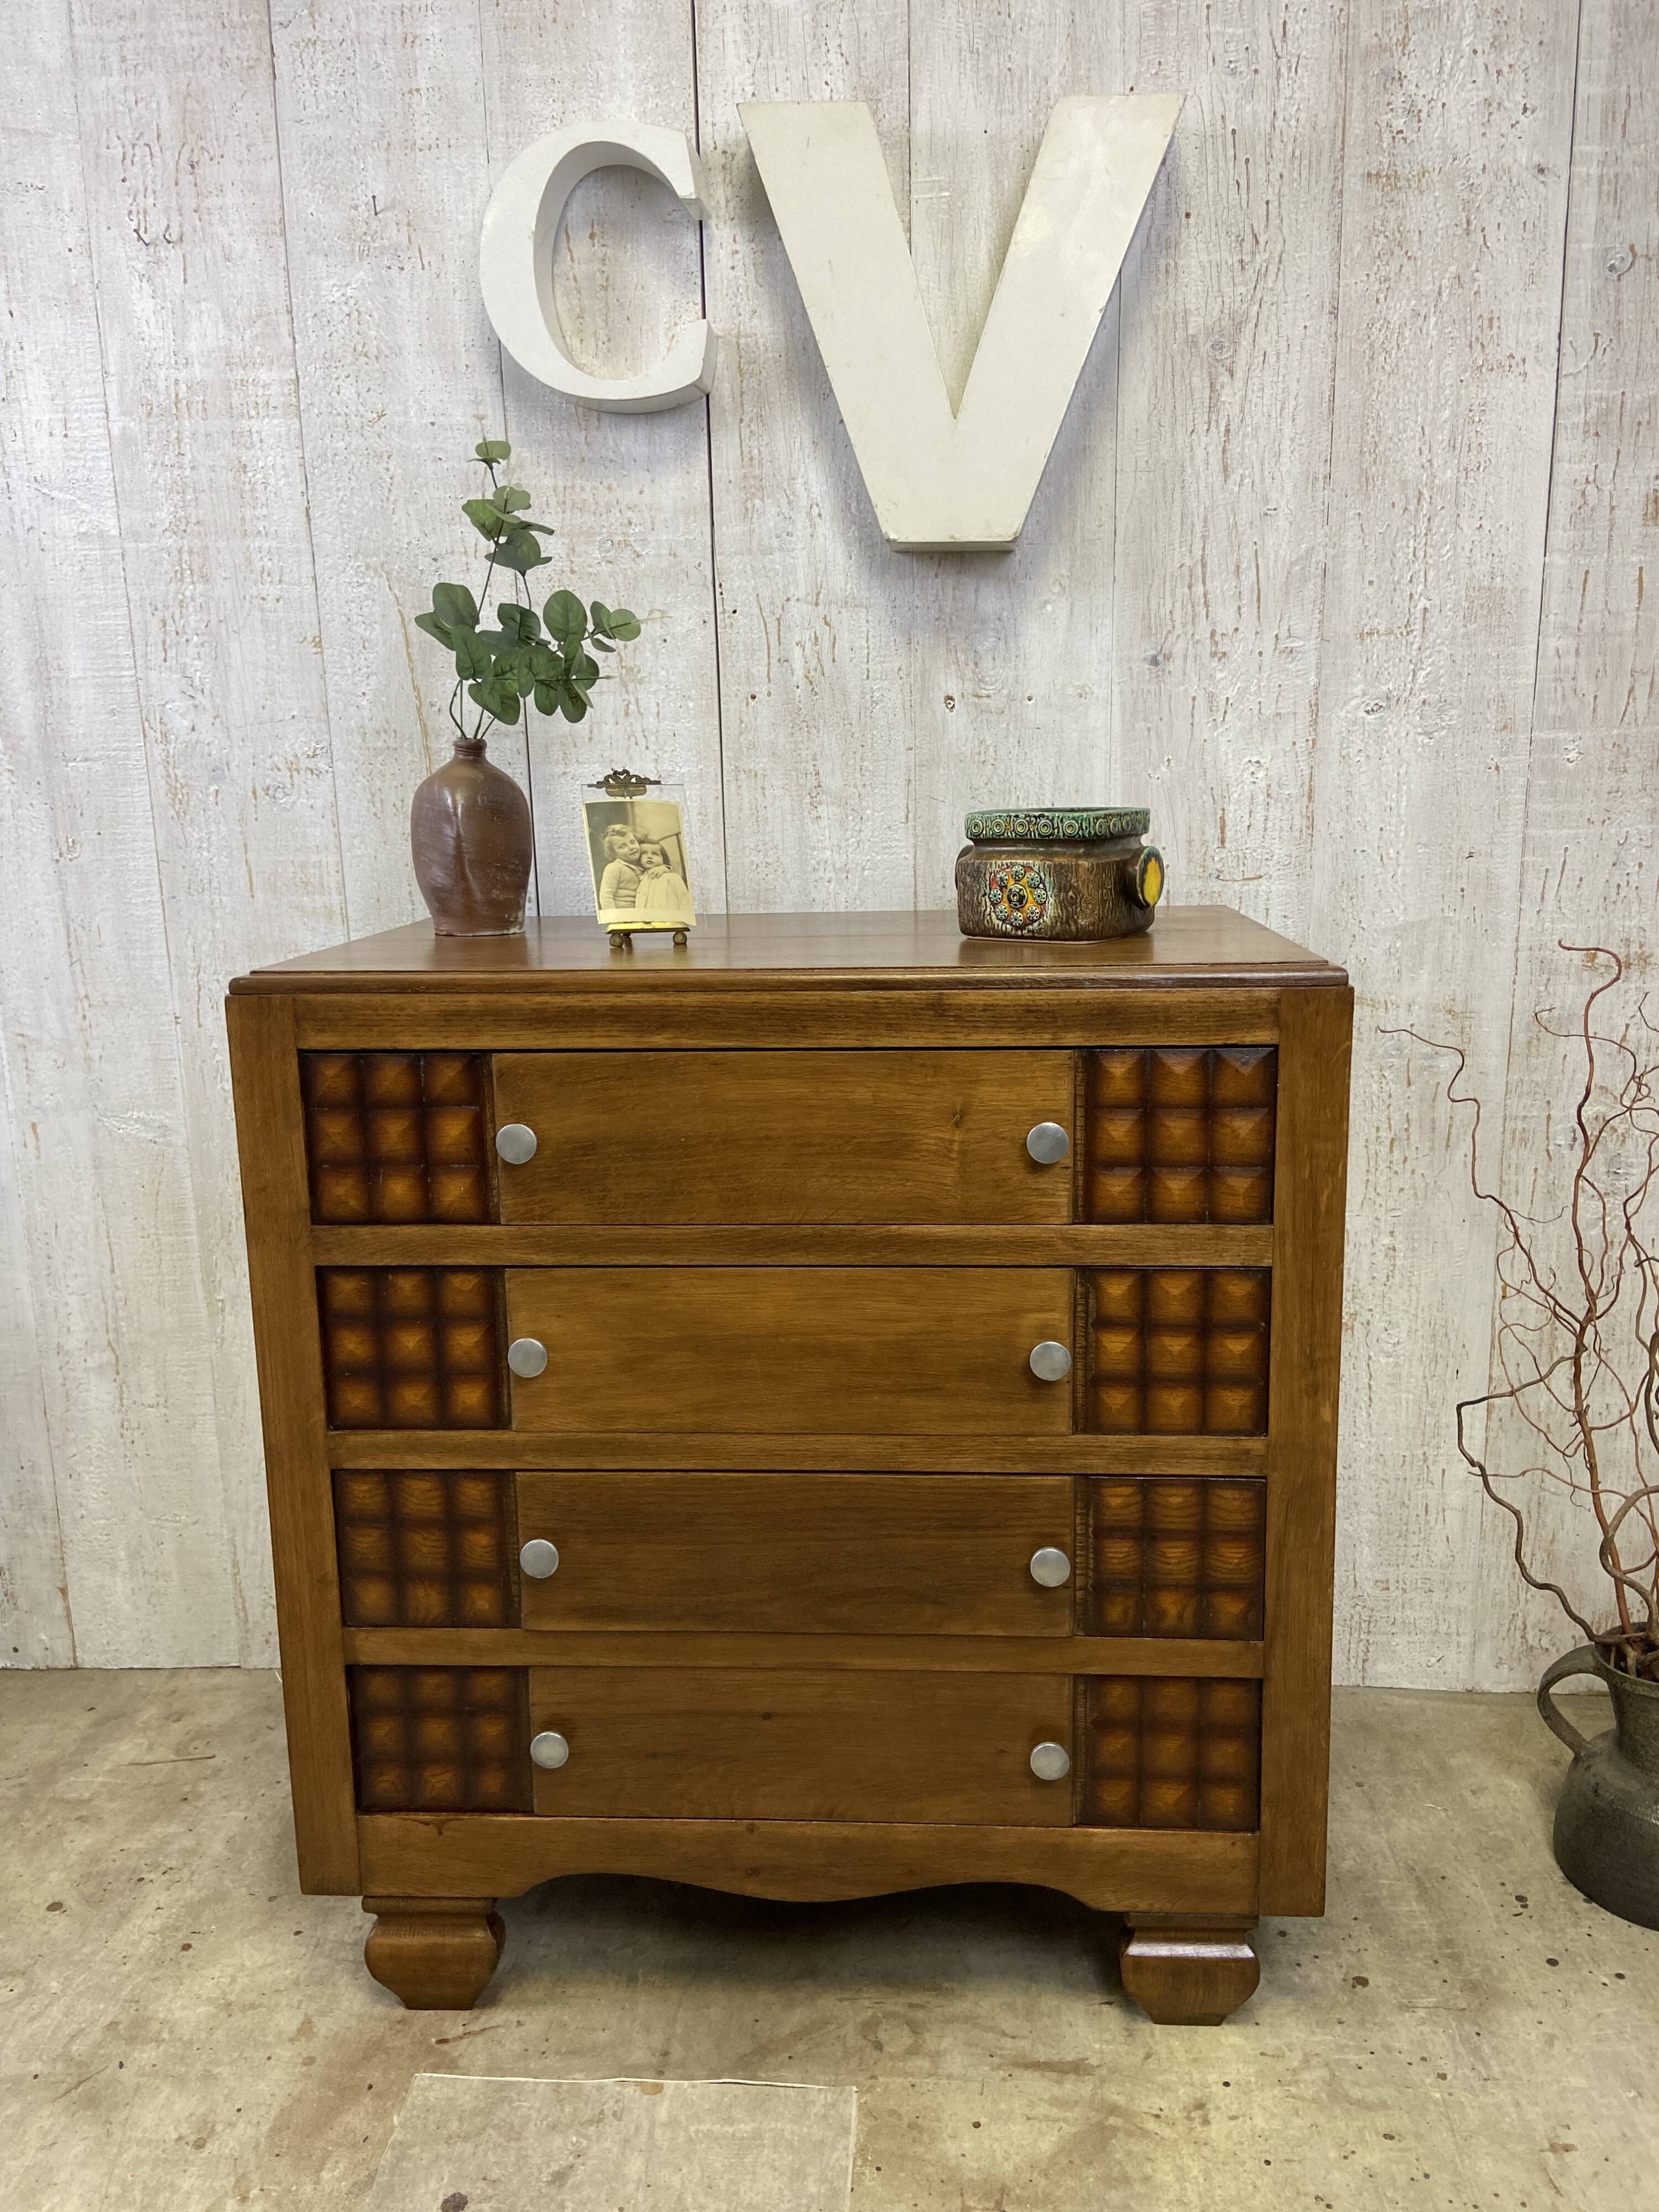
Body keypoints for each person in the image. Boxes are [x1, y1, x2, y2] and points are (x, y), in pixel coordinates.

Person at [634, 841, 694, 926]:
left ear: (664, 858)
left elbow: (684, 900)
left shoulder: (672, 878)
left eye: (655, 854)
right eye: (644, 853)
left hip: (670, 924)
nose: (650, 856)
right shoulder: (639, 878)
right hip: (645, 926)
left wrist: (685, 923)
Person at [596, 823, 642, 915]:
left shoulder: (642, 865)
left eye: (632, 842)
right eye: (622, 846)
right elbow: (606, 896)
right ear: (615, 854)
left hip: (640, 914)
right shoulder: (615, 868)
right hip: (623, 916)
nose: (631, 848)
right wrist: (614, 918)